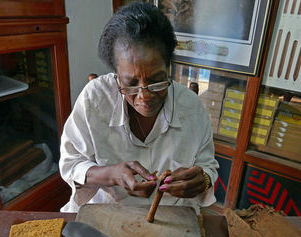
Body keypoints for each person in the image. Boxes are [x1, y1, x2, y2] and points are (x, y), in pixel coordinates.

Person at [59, 2, 219, 213]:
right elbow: (71, 164)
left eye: (157, 80)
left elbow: (208, 165)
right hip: (107, 212)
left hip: (172, 215)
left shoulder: (191, 108)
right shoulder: (94, 99)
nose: (145, 96)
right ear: (116, 76)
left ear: (169, 67)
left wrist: (203, 180)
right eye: (130, 83)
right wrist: (110, 175)